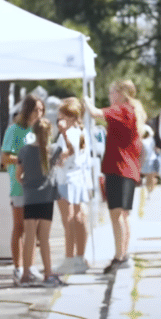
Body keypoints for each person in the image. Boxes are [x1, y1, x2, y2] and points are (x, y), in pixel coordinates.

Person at [84, 80, 144, 274]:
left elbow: (95, 112)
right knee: (123, 216)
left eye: (111, 92)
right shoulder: (131, 111)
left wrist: (85, 100)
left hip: (119, 168)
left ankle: (119, 256)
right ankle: (122, 254)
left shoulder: (122, 109)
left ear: (120, 93)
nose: (109, 97)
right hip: (128, 168)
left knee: (116, 215)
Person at [2, 95, 44, 286]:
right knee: (19, 227)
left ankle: (31, 266)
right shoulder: (14, 130)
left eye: (42, 110)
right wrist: (23, 161)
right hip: (19, 185)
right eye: (37, 110)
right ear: (28, 110)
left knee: (33, 229)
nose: (40, 114)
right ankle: (18, 267)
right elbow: (4, 157)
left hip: (35, 186)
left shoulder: (38, 131)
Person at [17, 118, 62, 287]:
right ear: (49, 133)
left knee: (29, 236)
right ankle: (48, 273)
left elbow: (18, 175)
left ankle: (26, 273)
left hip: (30, 197)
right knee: (44, 238)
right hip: (47, 197)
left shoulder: (24, 151)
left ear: (33, 132)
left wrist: (26, 185)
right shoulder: (55, 150)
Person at [53, 97, 92, 275]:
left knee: (68, 220)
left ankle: (70, 258)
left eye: (61, 114)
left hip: (65, 179)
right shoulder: (82, 132)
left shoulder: (68, 134)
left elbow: (64, 157)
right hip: (78, 179)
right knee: (78, 217)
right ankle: (79, 257)